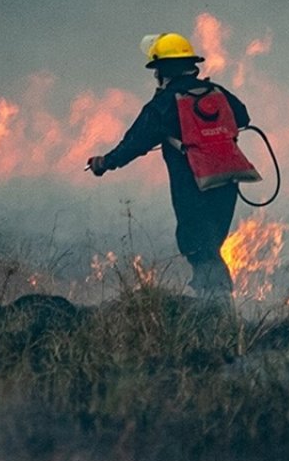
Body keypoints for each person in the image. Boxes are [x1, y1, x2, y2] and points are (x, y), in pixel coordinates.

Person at [87, 33, 258, 299]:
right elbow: (243, 116)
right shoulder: (217, 92)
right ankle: (215, 302)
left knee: (195, 245)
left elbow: (134, 143)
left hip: (192, 185)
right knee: (212, 243)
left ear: (161, 71)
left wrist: (104, 163)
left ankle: (215, 306)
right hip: (227, 181)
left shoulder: (164, 104)